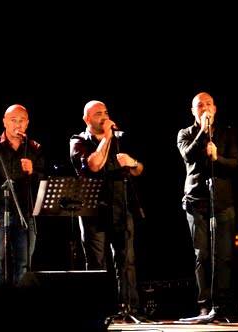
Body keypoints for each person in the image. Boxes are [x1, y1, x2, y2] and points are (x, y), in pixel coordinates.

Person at [69, 100, 145, 319]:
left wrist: (133, 162)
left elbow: (139, 170)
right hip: (94, 209)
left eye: (105, 112)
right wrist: (106, 138)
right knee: (97, 263)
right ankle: (99, 311)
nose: (103, 116)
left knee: (126, 260)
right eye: (97, 114)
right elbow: (94, 165)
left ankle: (129, 308)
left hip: (122, 206)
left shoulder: (121, 138)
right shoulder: (79, 141)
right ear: (86, 119)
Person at [177, 92, 238, 321]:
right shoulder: (185, 133)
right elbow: (187, 155)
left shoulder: (228, 132)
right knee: (201, 255)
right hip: (196, 202)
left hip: (222, 203)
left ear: (216, 108)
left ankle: (222, 307)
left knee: (223, 256)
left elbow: (235, 163)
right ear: (193, 111)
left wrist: (217, 158)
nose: (205, 108)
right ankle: (204, 307)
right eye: (199, 105)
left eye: (209, 104)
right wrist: (203, 131)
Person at [0, 104, 43, 289]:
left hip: (26, 212)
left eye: (21, 121)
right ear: (4, 122)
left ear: (27, 123)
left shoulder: (35, 148)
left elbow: (43, 182)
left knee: (24, 265)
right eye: (13, 120)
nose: (17, 125)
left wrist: (33, 172)